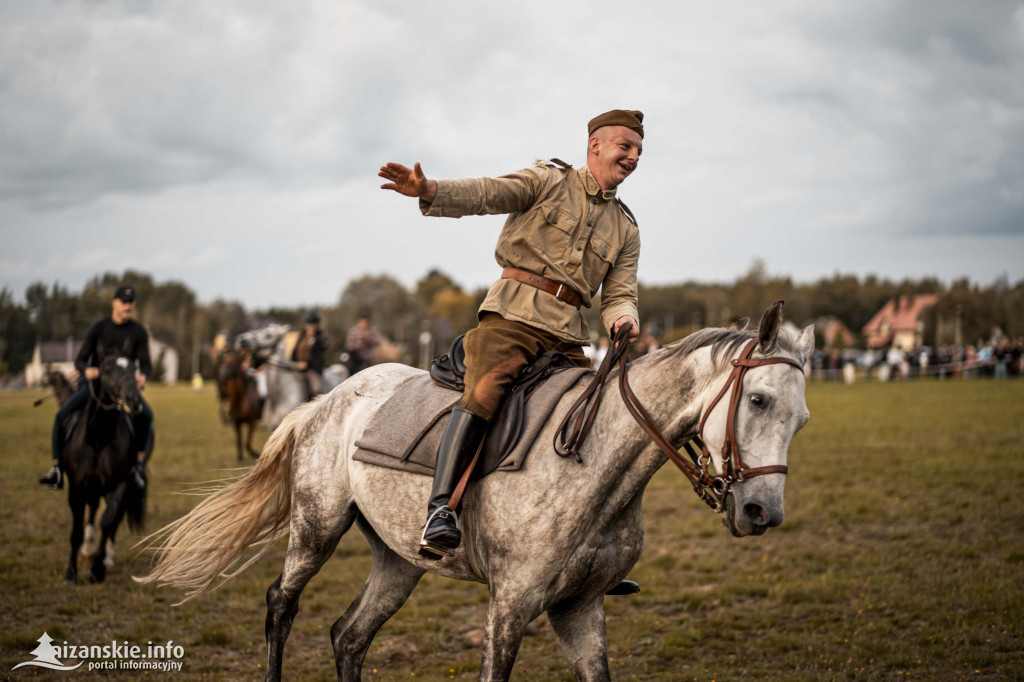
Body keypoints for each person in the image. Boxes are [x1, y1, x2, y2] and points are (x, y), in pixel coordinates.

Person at [380, 108, 643, 559]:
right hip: (512, 319)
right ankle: (441, 510)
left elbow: (619, 293)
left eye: (639, 151)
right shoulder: (549, 180)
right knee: (488, 386)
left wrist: (624, 318)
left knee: (598, 417)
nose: (634, 157)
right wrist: (429, 190)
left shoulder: (627, 228)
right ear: (596, 146)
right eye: (626, 147)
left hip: (567, 338)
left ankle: (586, 548)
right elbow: (487, 193)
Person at [39, 285, 153, 490]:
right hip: (95, 387)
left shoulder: (138, 332)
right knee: (61, 415)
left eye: (131, 302)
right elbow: (79, 361)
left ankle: (136, 466)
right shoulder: (99, 328)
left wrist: (143, 375)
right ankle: (56, 469)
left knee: (146, 416)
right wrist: (87, 370)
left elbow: (146, 363)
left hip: (124, 389)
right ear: (114, 303)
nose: (128, 306)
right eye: (124, 302)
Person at [291, 310, 328, 399]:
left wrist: (307, 364)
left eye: (312, 325)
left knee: (316, 388)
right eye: (308, 325)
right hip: (298, 368)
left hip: (312, 369)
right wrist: (295, 363)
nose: (310, 327)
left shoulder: (321, 339)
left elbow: (317, 356)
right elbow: (294, 352)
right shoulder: (301, 337)